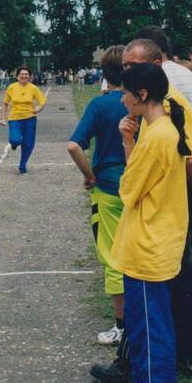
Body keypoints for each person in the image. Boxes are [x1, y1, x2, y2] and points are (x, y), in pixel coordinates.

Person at [101, 62, 189, 383]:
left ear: (142, 95)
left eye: (125, 92)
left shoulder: (157, 136)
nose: (121, 99)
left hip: (151, 244)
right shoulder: (157, 130)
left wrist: (126, 143)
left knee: (153, 328)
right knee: (139, 325)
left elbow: (128, 188)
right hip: (143, 242)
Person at [67, 47, 128, 345]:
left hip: (109, 187)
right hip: (143, 185)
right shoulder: (144, 103)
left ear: (103, 73)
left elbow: (74, 146)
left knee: (113, 254)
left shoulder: (100, 105)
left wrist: (88, 174)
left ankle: (122, 325)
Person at [0, 66, 46, 174]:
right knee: (15, 140)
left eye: (26, 74)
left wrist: (37, 109)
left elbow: (42, 102)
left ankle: (22, 165)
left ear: (29, 76)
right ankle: (14, 144)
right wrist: (2, 118)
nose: (24, 76)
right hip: (15, 118)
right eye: (22, 74)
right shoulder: (12, 87)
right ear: (17, 76)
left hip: (30, 118)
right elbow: (5, 103)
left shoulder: (33, 88)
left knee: (28, 143)